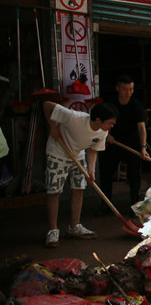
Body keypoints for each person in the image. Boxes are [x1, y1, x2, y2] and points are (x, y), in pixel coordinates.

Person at [43, 101, 117, 248]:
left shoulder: (103, 131)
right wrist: (53, 127)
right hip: (57, 153)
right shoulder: (73, 117)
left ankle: (74, 227)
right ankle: (53, 230)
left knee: (79, 190)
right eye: (110, 123)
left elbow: (93, 150)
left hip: (77, 155)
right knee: (54, 192)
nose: (112, 126)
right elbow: (47, 105)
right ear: (98, 120)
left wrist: (91, 170)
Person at [99, 75, 147, 211]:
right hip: (113, 142)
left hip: (132, 143)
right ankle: (106, 205)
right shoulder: (110, 103)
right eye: (125, 89)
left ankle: (135, 205)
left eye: (131, 89)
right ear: (117, 89)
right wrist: (107, 135)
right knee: (107, 173)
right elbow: (101, 122)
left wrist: (143, 147)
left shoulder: (136, 105)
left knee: (134, 175)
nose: (128, 93)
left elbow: (141, 128)